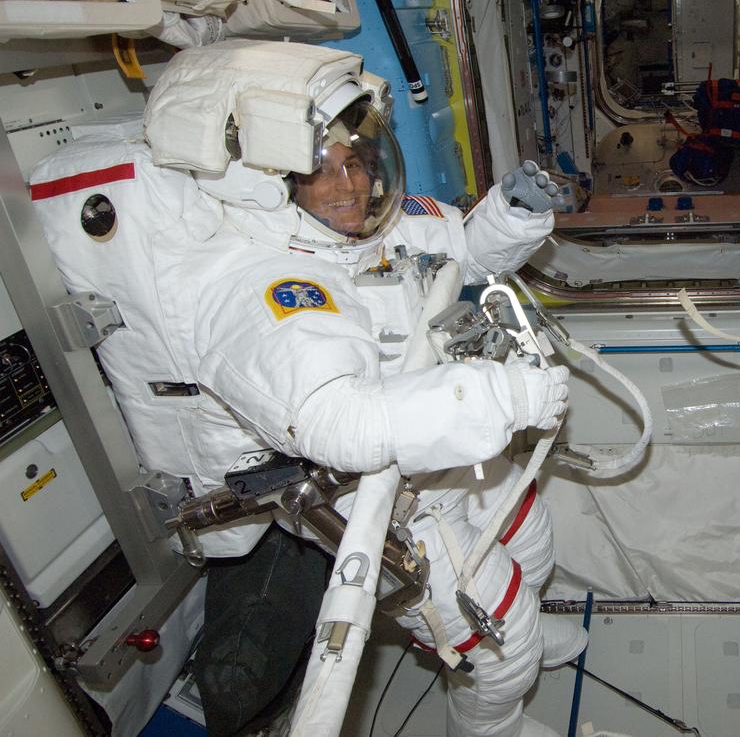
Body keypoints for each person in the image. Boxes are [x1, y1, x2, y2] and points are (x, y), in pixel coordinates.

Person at [29, 39, 582, 737]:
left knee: (530, 540)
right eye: (317, 174)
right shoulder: (261, 288)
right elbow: (338, 423)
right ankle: (497, 709)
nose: (348, 186)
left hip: (436, 441)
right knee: (501, 654)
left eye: (354, 162)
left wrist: (514, 211)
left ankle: (526, 621)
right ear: (268, 187)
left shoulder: (372, 228)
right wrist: (504, 398)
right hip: (375, 492)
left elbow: (462, 249)